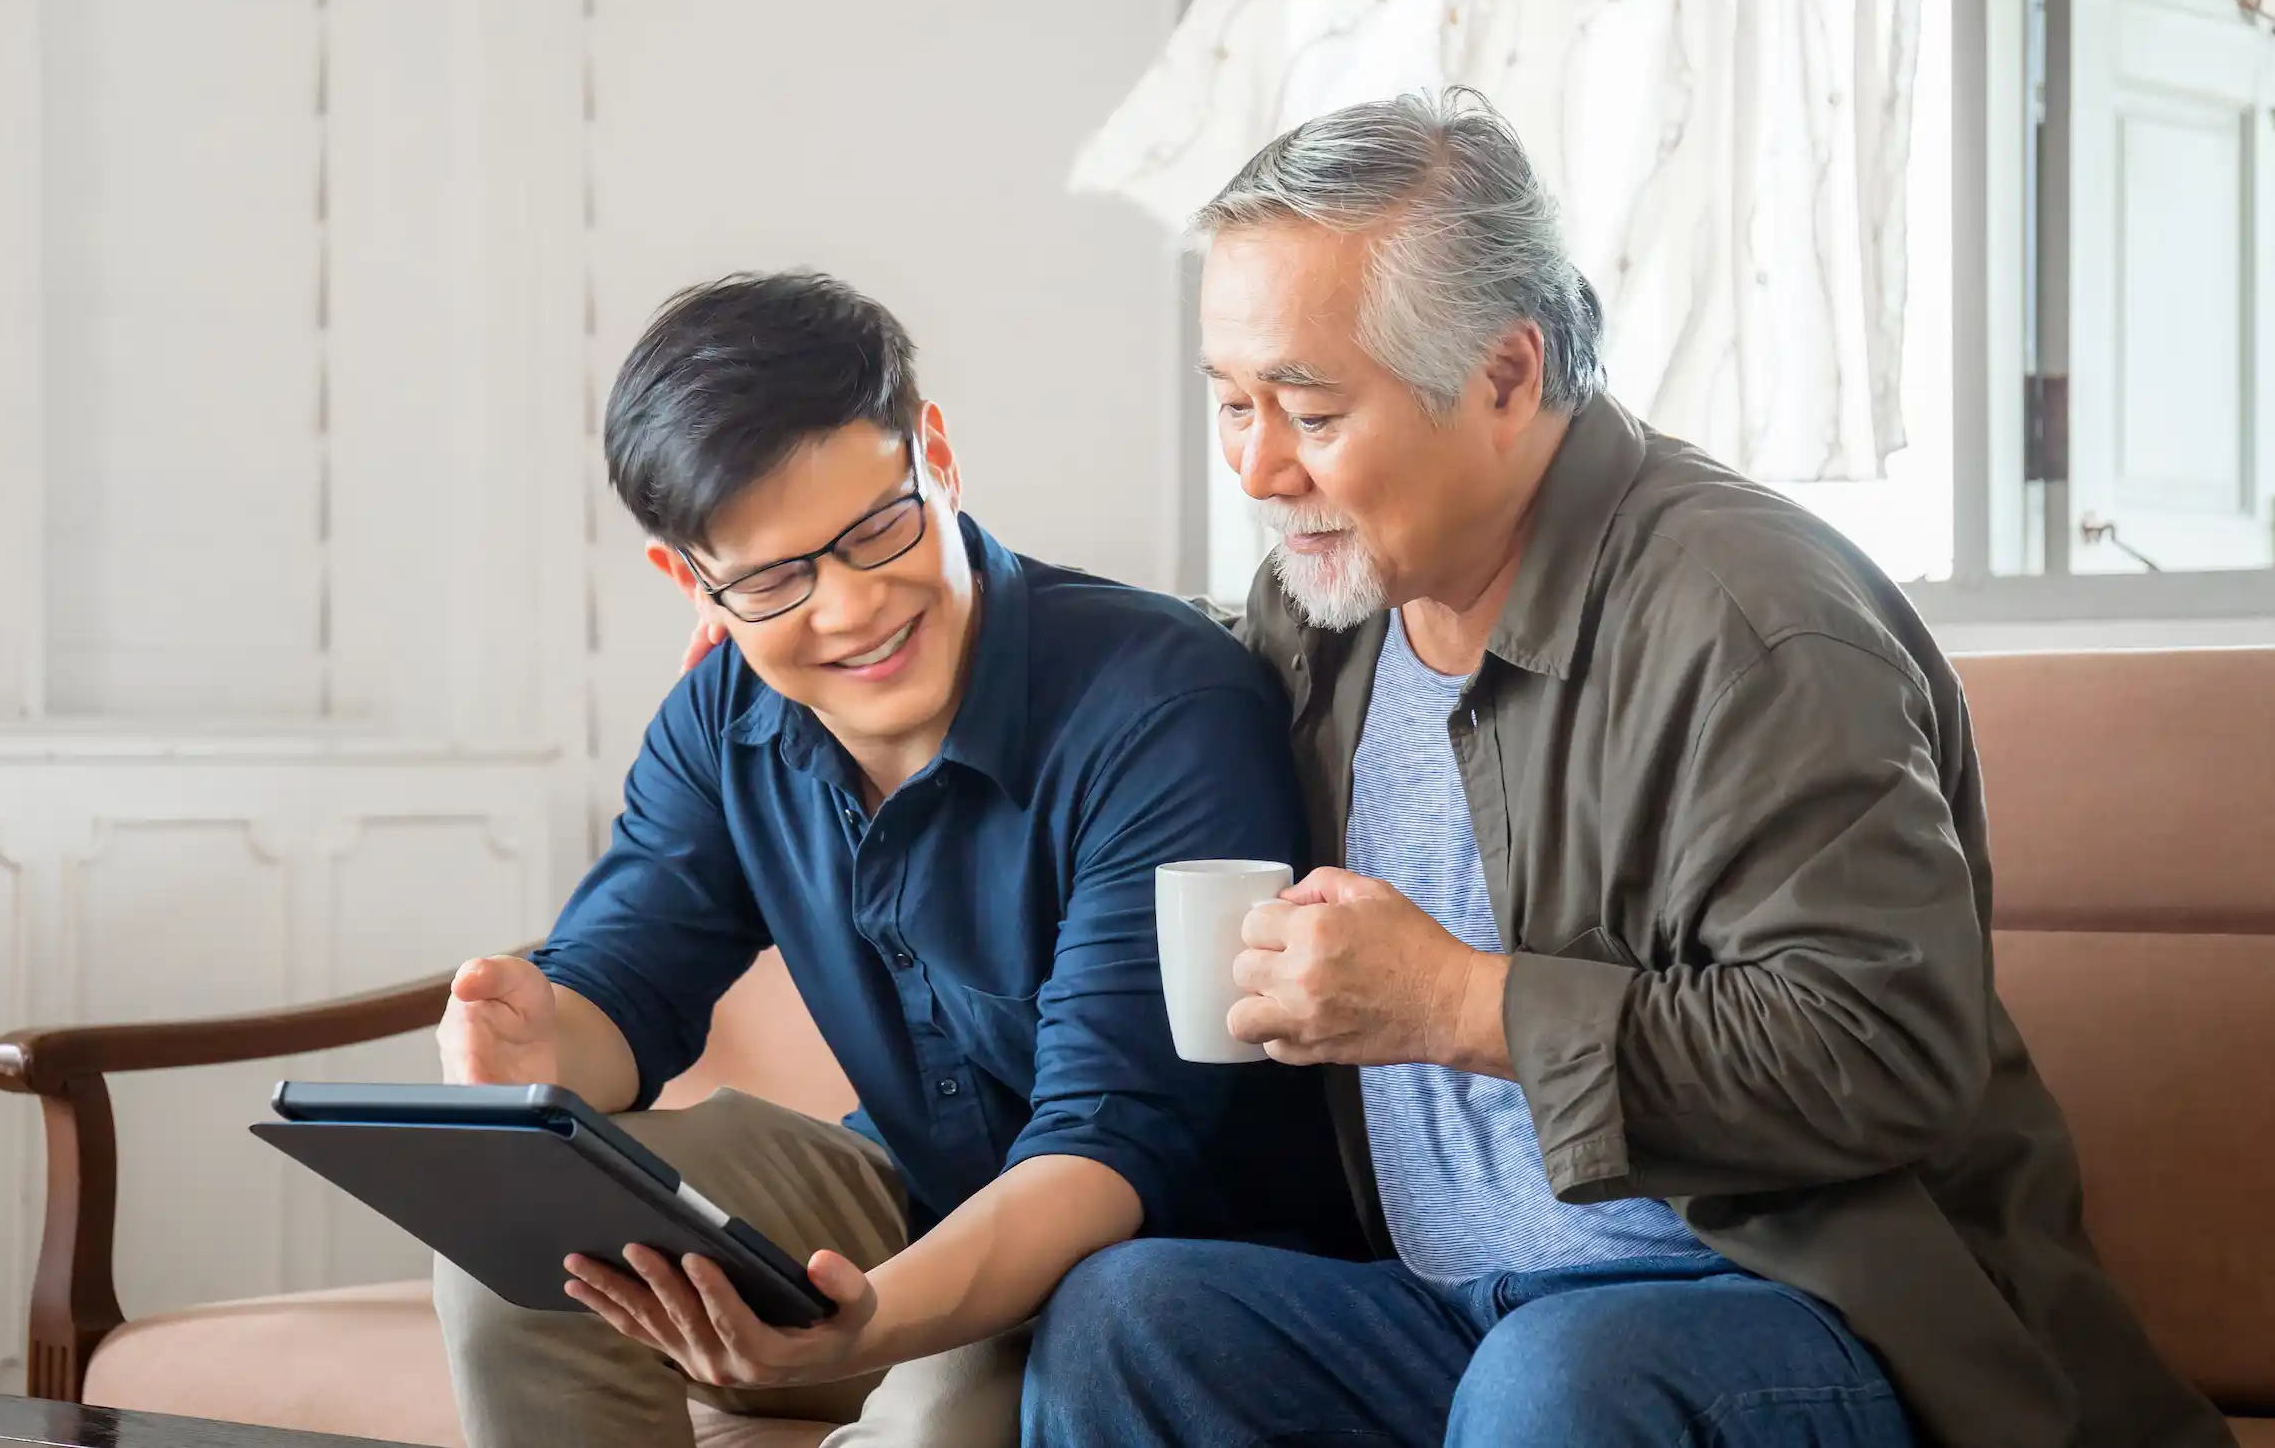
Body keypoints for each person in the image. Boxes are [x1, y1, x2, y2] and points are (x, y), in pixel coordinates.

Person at [1023, 92, 2232, 1448]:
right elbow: (1121, 720)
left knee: (1562, 1379)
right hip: (1463, 1319)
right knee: (1130, 1319)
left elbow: (1884, 1050)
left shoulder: (1751, 616)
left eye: (1307, 408)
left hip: (1798, 1319)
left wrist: (1455, 1002)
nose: (1257, 463)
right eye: (1231, 403)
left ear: (1504, 374)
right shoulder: (1327, 604)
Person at [432, 271, 1352, 1448]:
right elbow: (623, 990)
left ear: (938, 454)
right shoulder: (722, 718)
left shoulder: (1160, 707)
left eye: (878, 527)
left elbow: (1106, 1149)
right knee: (523, 1249)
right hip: (906, 1191)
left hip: (1152, 1255)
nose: (853, 606)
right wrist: (534, 1044)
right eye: (773, 578)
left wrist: (860, 1330)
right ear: (691, 579)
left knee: (938, 1412)